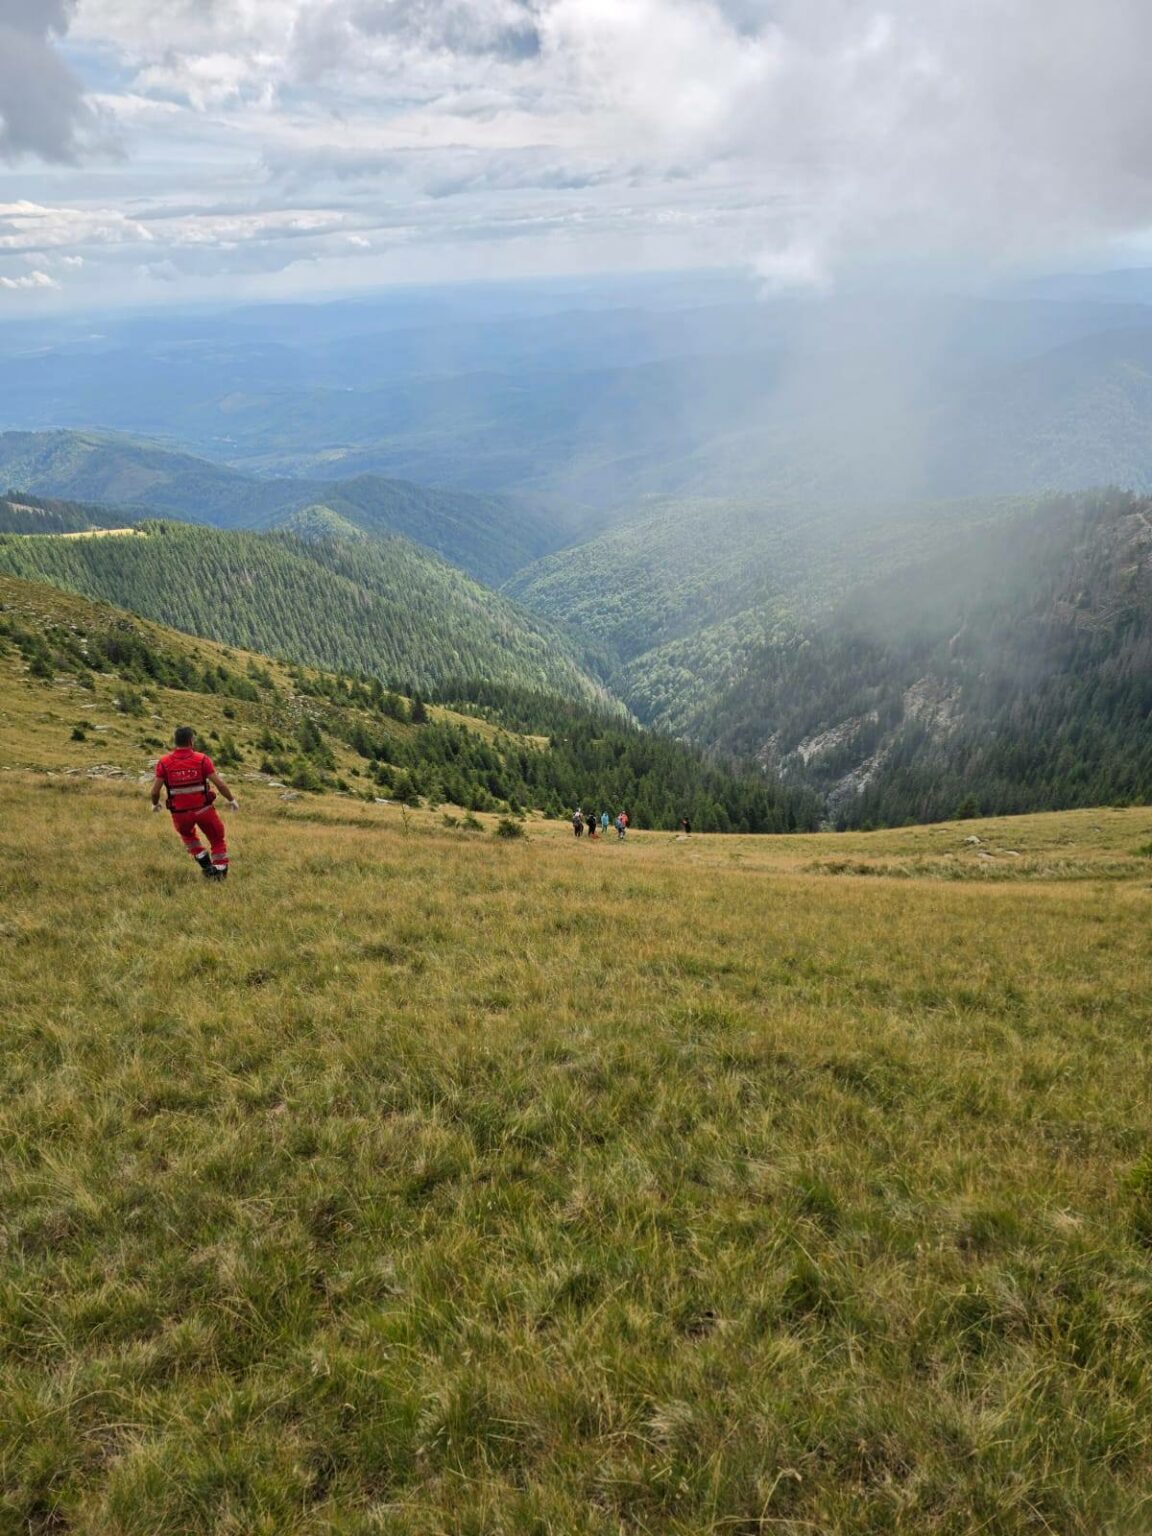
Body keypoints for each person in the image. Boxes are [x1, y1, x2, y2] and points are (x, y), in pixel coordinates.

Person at [152, 725, 239, 880]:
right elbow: (220, 784)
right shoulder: (202, 760)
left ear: (175, 741)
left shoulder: (164, 763)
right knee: (217, 840)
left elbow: (155, 791)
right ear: (191, 741)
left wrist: (155, 804)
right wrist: (231, 800)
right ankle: (219, 872)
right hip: (204, 811)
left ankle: (205, 863)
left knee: (189, 837)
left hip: (180, 814)